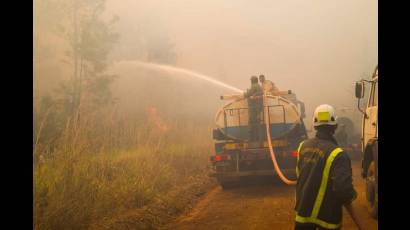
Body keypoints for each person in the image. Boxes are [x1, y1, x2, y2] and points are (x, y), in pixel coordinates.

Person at [294, 104, 365, 230]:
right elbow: (343, 189)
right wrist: (351, 195)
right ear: (335, 126)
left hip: (303, 215)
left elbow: (300, 176)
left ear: (314, 125)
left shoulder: (302, 147)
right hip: (327, 219)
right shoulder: (338, 154)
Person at [244, 76, 263, 143]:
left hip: (254, 108)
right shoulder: (259, 86)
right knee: (257, 123)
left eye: (251, 80)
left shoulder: (254, 86)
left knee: (251, 123)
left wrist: (245, 94)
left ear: (252, 80)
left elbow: (249, 94)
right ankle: (259, 138)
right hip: (258, 107)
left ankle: (251, 139)